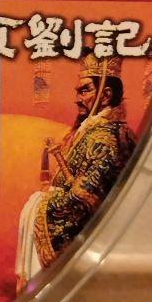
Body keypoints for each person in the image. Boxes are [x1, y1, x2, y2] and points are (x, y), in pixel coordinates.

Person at [16, 52, 136, 285]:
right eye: (77, 91)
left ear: (105, 95)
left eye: (84, 90)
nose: (77, 99)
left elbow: (85, 201)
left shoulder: (106, 139)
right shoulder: (92, 132)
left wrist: (41, 202)